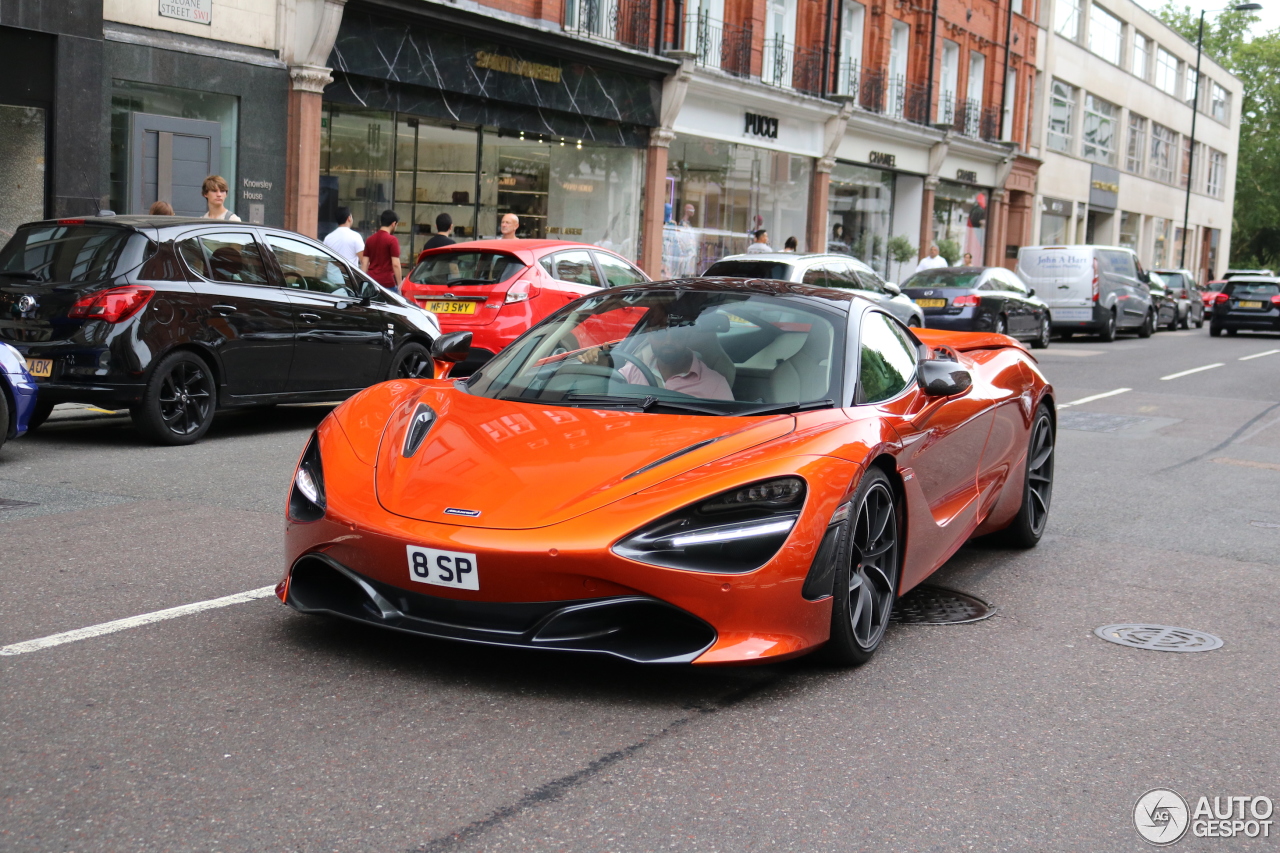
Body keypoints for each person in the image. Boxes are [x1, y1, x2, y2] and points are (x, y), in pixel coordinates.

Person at [580, 302, 733, 401]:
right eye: (660, 333)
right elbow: (610, 396)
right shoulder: (635, 369)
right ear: (649, 335)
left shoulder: (715, 385)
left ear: (688, 334)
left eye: (676, 333)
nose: (668, 341)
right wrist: (602, 367)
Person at [363, 209, 403, 290]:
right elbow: (396, 264)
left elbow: (364, 263)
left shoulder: (369, 239)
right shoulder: (392, 240)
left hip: (371, 282)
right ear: (393, 224)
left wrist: (363, 282)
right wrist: (400, 285)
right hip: (387, 283)